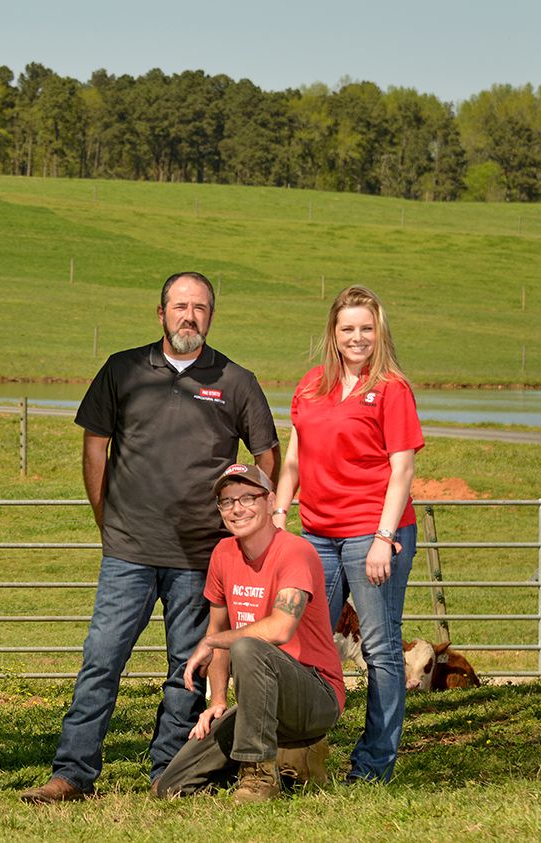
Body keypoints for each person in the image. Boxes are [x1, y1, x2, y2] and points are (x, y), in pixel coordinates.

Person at [21, 272, 280, 804]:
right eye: (180, 306)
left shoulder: (236, 380)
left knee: (188, 666)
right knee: (102, 658)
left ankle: (169, 772)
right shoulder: (123, 369)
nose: (190, 316)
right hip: (129, 551)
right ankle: (71, 773)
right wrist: (106, 519)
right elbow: (96, 449)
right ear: (160, 313)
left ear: (211, 315)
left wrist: (248, 520)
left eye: (201, 308)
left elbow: (267, 458)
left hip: (200, 555)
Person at [272, 284, 424, 783]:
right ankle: (298, 754)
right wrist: (278, 514)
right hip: (316, 534)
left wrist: (383, 538)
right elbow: (295, 457)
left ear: (378, 332)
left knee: (380, 648)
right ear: (333, 334)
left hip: (373, 533)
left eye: (366, 328)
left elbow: (401, 470)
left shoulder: (393, 388)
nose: (357, 337)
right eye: (348, 328)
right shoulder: (312, 384)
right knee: (303, 641)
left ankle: (374, 764)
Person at [152, 463, 344, 803]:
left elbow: (280, 628)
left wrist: (210, 642)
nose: (237, 508)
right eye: (226, 502)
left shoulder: (296, 551)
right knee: (171, 786)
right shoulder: (223, 554)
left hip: (315, 694)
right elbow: (218, 627)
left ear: (270, 502)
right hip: (261, 701)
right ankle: (285, 760)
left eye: (247, 498)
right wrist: (219, 702)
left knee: (248, 647)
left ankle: (259, 778)